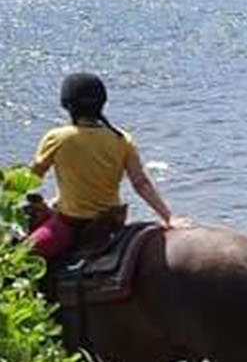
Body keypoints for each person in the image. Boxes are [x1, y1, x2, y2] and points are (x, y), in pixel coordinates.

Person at [27, 73, 181, 261]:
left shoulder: (57, 138)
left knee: (16, 260)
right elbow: (141, 183)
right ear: (102, 103)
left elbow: (30, 181)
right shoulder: (122, 139)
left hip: (72, 223)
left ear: (68, 105)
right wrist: (168, 217)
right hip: (111, 222)